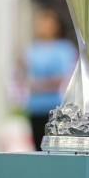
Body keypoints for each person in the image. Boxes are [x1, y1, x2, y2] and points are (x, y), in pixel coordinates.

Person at [24, 8, 76, 151]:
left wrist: (37, 85)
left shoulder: (64, 48)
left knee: (55, 148)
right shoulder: (32, 48)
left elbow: (59, 79)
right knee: (37, 146)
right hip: (35, 107)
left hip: (55, 107)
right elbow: (24, 75)